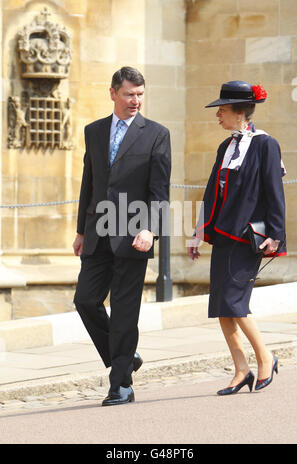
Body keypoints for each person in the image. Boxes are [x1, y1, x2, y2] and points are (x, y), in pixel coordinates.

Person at [73, 67, 171, 406]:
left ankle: (121, 385)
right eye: (129, 94)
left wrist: (151, 228)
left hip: (134, 235)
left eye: (140, 95)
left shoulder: (156, 134)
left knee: (126, 309)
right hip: (98, 232)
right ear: (113, 93)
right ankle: (124, 358)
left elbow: (160, 190)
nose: (136, 101)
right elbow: (90, 182)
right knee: (85, 301)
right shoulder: (94, 131)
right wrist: (81, 231)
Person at [188, 81, 286, 395]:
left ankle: (265, 357)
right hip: (224, 237)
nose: (218, 114)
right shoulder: (226, 146)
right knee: (221, 304)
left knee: (235, 303)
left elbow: (274, 193)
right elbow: (211, 193)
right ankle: (241, 368)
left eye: (223, 109)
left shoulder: (265, 144)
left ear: (240, 111)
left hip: (248, 238)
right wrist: (198, 232)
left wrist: (276, 235)